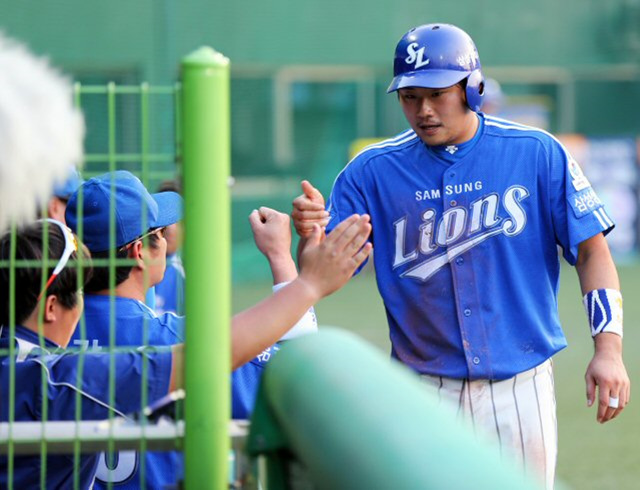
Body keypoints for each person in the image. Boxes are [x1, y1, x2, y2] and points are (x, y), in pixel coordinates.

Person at [291, 23, 629, 489]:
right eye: (410, 97)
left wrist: (608, 350)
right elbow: (322, 271)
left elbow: (593, 251)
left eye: (437, 94)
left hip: (520, 387)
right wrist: (309, 236)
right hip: (419, 390)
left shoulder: (535, 153)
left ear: (472, 87)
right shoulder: (371, 172)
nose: (423, 110)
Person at [0, 211, 372, 487]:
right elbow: (212, 361)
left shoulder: (42, 362)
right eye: (74, 294)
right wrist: (304, 282)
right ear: (51, 308)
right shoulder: (53, 379)